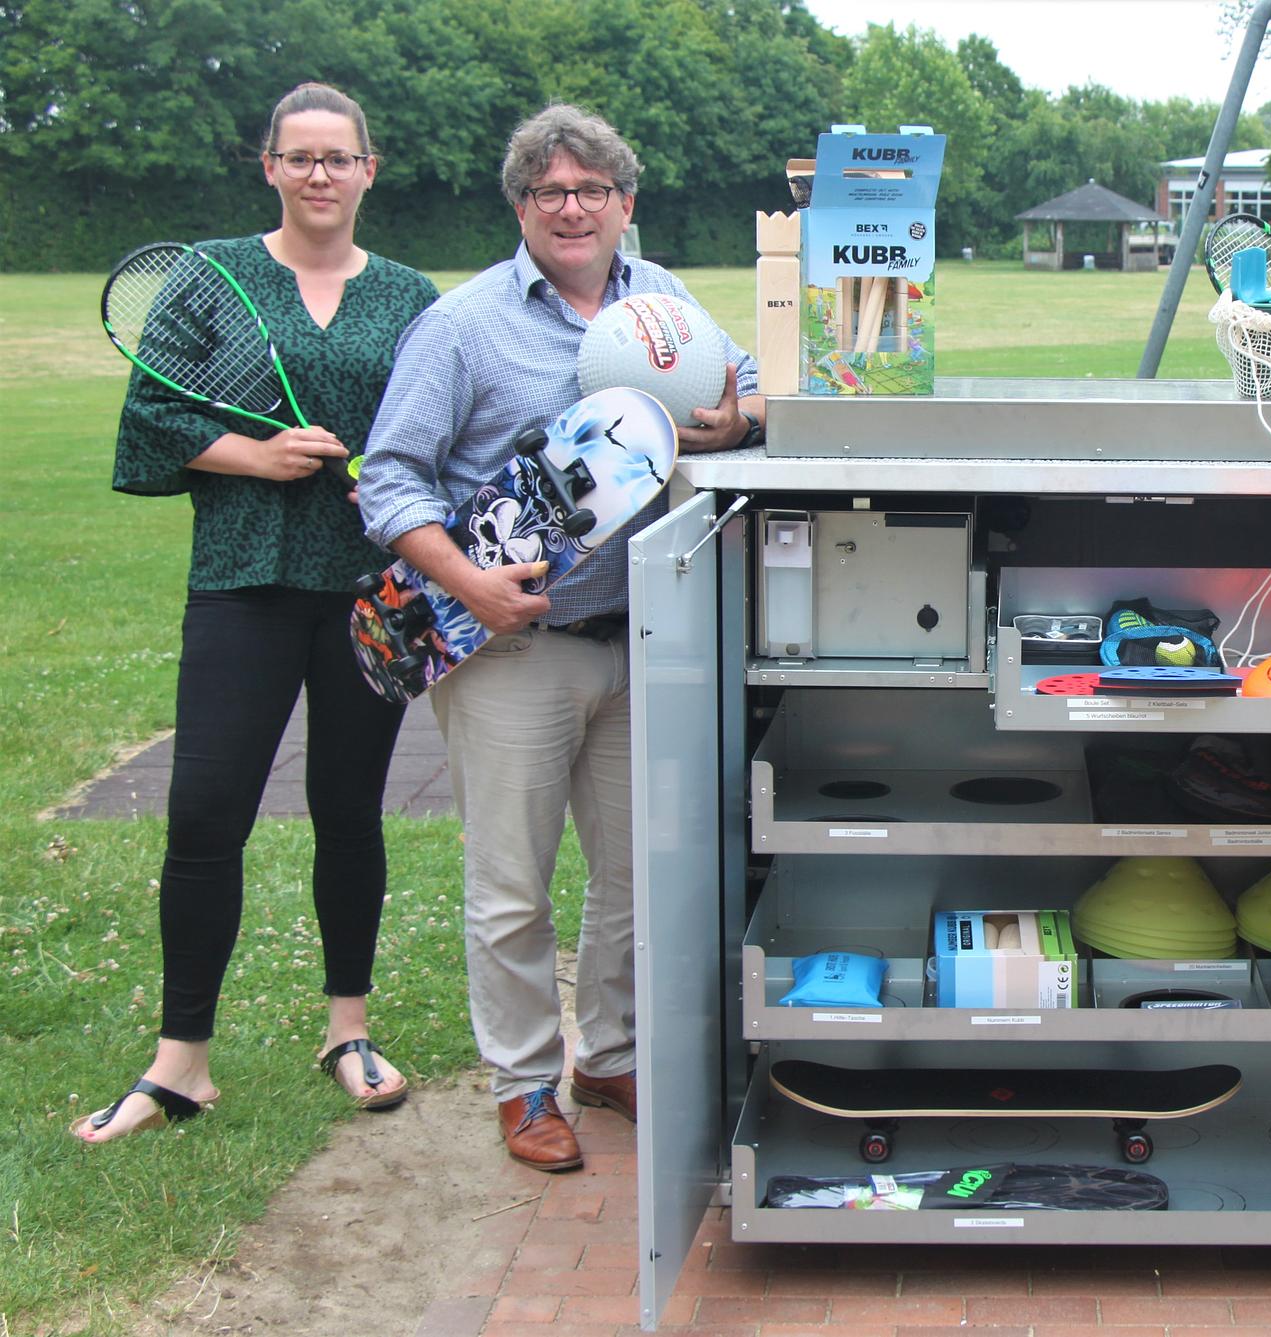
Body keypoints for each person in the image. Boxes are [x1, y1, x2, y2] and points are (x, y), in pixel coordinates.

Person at [357, 104, 762, 1173]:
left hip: (646, 640)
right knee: (512, 884)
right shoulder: (463, 324)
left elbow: (752, 380)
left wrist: (737, 418)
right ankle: (525, 1080)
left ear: (625, 203)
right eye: (550, 192)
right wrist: (467, 583)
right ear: (522, 208)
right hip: (511, 650)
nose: (572, 206)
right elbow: (390, 475)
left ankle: (610, 1054)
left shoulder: (664, 301)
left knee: (637, 873)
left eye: (592, 189)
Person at [76, 84, 439, 1143]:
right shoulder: (211, 279)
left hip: (370, 585)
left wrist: (400, 487)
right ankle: (181, 1059)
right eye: (300, 157)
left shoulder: (412, 295)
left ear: (369, 171)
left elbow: (436, 428)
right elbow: (154, 417)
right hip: (242, 575)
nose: (319, 174)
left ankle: (348, 1027)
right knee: (206, 811)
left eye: (339, 157)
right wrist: (261, 456)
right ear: (269, 167)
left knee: (348, 808)